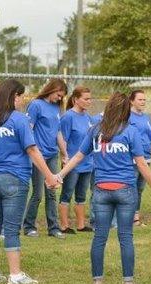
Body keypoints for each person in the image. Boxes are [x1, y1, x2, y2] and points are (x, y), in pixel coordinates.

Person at [57, 92, 151, 284]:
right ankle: (128, 283)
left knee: (99, 237)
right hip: (125, 190)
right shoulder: (130, 131)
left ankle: (97, 282)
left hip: (100, 191)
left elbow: (77, 157)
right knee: (125, 237)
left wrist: (60, 175)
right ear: (126, 110)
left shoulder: (95, 130)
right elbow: (142, 165)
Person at [0, 79, 59, 284]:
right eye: (21, 95)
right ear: (13, 96)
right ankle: (15, 275)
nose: (23, 100)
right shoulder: (18, 119)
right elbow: (32, 150)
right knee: (11, 228)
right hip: (14, 179)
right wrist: (50, 176)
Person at [23, 79, 68, 239]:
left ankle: (53, 228)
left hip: (52, 155)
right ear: (52, 89)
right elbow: (28, 129)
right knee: (38, 193)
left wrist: (64, 153)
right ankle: (29, 226)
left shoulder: (56, 108)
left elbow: (58, 132)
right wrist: (34, 151)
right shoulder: (36, 105)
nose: (59, 98)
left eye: (62, 97)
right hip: (39, 156)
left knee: (52, 192)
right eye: (58, 95)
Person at [58, 86, 94, 233]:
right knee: (67, 193)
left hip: (87, 163)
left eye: (90, 99)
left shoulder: (87, 117)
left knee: (81, 195)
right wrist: (64, 158)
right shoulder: (68, 117)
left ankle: (81, 225)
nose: (89, 102)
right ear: (75, 100)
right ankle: (64, 226)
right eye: (86, 99)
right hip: (73, 164)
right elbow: (63, 140)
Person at [128, 90, 151, 226]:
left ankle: (136, 216)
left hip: (146, 157)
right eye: (140, 100)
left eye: (144, 100)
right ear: (132, 101)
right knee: (132, 187)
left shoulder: (146, 117)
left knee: (140, 188)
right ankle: (129, 218)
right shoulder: (127, 117)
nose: (143, 102)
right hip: (133, 158)